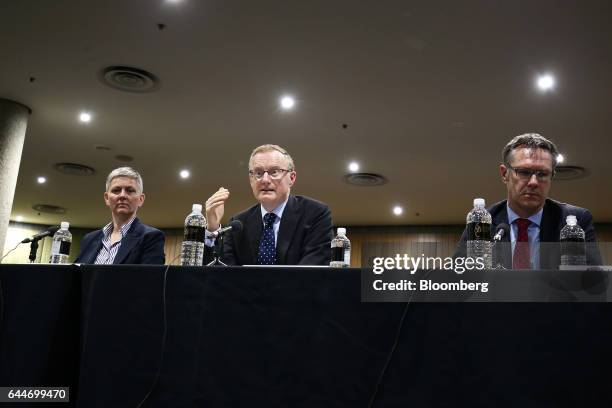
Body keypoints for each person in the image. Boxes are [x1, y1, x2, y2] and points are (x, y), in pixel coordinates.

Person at [456, 133, 601, 268]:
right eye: (524, 172)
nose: (533, 182)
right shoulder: (481, 222)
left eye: (542, 174)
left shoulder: (577, 220)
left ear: (552, 177)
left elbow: (595, 285)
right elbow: (457, 283)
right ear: (504, 173)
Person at [204, 144, 332, 265]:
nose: (265, 180)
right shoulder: (238, 223)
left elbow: (312, 270)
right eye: (258, 173)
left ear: (292, 178)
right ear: (251, 179)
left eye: (274, 172)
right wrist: (212, 229)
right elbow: (222, 275)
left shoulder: (315, 213)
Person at [75, 167, 165, 264]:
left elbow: (150, 278)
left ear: (141, 199)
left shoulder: (151, 237)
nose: (122, 195)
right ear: (106, 198)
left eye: (130, 190)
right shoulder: (89, 239)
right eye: (116, 190)